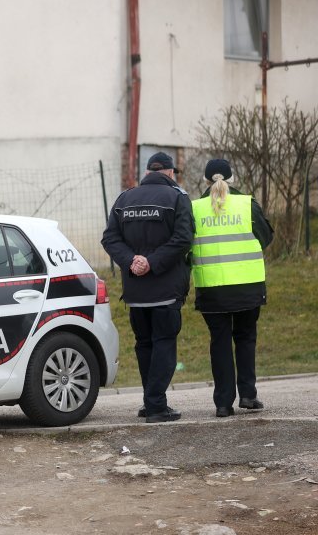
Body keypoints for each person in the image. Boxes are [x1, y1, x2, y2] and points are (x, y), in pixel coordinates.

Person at [101, 152, 194, 423]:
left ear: (147, 171)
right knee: (164, 344)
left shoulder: (124, 199)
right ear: (170, 173)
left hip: (136, 292)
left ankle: (150, 401)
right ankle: (156, 406)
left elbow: (110, 238)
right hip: (166, 290)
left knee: (144, 345)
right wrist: (151, 262)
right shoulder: (178, 198)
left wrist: (132, 261)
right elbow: (183, 239)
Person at [191, 159, 274, 418]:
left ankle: (223, 403)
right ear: (232, 179)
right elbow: (266, 237)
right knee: (246, 338)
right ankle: (248, 395)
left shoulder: (193, 208)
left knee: (220, 342)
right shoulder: (247, 204)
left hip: (212, 289)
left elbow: (184, 245)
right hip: (247, 287)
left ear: (206, 181)